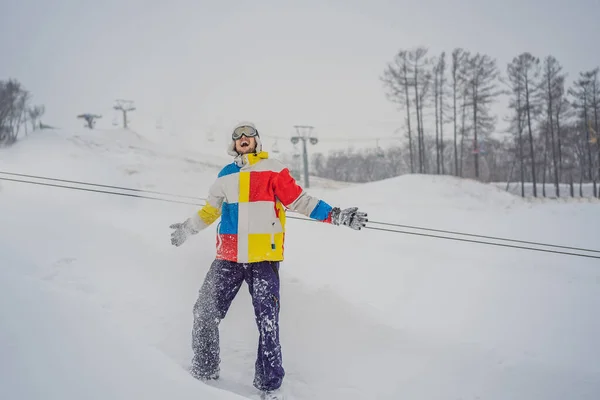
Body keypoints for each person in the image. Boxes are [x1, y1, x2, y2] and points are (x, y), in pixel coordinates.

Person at [169, 121, 368, 400]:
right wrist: (186, 228)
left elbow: (301, 200)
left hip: (263, 258)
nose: (243, 138)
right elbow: (209, 211)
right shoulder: (225, 175)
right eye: (238, 135)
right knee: (204, 311)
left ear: (257, 140)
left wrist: (336, 215)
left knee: (268, 322)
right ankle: (204, 370)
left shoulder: (273, 168)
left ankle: (269, 387)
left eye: (249, 134)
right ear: (233, 143)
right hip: (228, 257)